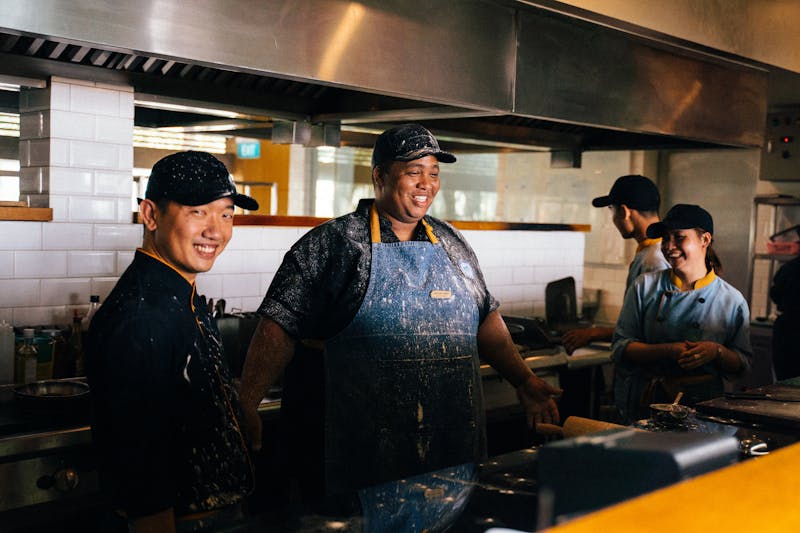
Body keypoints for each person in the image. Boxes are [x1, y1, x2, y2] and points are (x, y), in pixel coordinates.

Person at [239, 124, 561, 502]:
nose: (426, 184)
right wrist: (247, 403)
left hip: (446, 449)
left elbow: (485, 318)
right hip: (359, 452)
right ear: (380, 176)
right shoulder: (333, 245)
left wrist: (524, 380)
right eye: (413, 172)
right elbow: (278, 326)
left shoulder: (452, 243)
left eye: (434, 173)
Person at [86, 151, 257, 533]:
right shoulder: (140, 317)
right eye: (198, 211)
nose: (216, 230)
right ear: (151, 215)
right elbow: (138, 467)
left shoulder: (179, 293)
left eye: (226, 214)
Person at [611, 204, 753, 423]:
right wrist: (669, 350)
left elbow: (742, 364)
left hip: (703, 405)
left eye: (679, 237)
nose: (669, 247)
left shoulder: (731, 300)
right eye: (665, 239)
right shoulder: (644, 287)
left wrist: (716, 351)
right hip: (648, 402)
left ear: (705, 240)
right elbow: (621, 347)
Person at [562, 174, 669, 355]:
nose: (613, 219)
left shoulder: (654, 261)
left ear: (625, 211)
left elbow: (649, 329)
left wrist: (594, 333)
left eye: (612, 209)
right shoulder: (651, 253)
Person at [770, 255, 800, 380]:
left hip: (787, 330)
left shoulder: (789, 268)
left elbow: (775, 293)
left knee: (785, 381)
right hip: (789, 330)